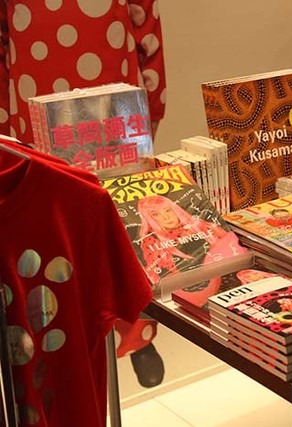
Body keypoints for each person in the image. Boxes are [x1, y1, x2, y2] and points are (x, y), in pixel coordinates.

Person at [0, 0, 167, 389]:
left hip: (110, 82)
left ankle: (135, 327)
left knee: (120, 205)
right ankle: (56, 334)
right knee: (48, 219)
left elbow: (147, 23)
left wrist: (151, 106)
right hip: (34, 90)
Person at [137, 195, 247, 289]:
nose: (166, 217)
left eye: (168, 210)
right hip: (186, 289)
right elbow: (156, 277)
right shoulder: (151, 242)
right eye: (155, 214)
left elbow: (235, 249)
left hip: (232, 275)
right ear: (149, 218)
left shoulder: (203, 226)